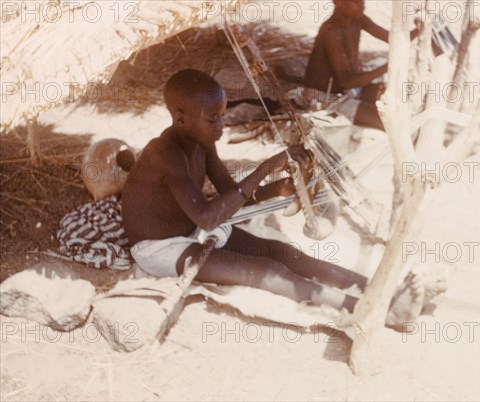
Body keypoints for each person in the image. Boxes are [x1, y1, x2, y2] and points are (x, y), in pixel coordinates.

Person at [122, 69, 438, 330]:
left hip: (193, 230)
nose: (222, 125)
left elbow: (232, 198)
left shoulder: (202, 141)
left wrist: (277, 189)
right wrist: (265, 168)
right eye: (213, 119)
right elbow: (207, 217)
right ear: (180, 118)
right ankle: (377, 311)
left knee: (284, 253)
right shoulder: (164, 153)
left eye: (222, 116)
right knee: (265, 271)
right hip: (159, 248)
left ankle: (384, 290)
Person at [303, 0, 440, 131]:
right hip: (325, 98)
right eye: (356, 2)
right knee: (394, 125)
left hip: (347, 91)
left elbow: (392, 38)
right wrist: (387, 67)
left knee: (396, 100)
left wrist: (420, 28)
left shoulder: (358, 19)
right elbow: (346, 82)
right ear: (338, 2)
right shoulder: (331, 32)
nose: (362, 6)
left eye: (363, 1)